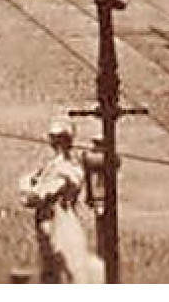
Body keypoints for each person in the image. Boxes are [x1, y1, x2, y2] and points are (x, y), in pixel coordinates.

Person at [21, 120, 104, 284]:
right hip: (51, 220)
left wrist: (29, 188)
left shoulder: (65, 169)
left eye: (57, 138)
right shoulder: (55, 167)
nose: (54, 142)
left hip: (60, 220)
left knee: (64, 264)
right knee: (51, 265)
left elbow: (38, 195)